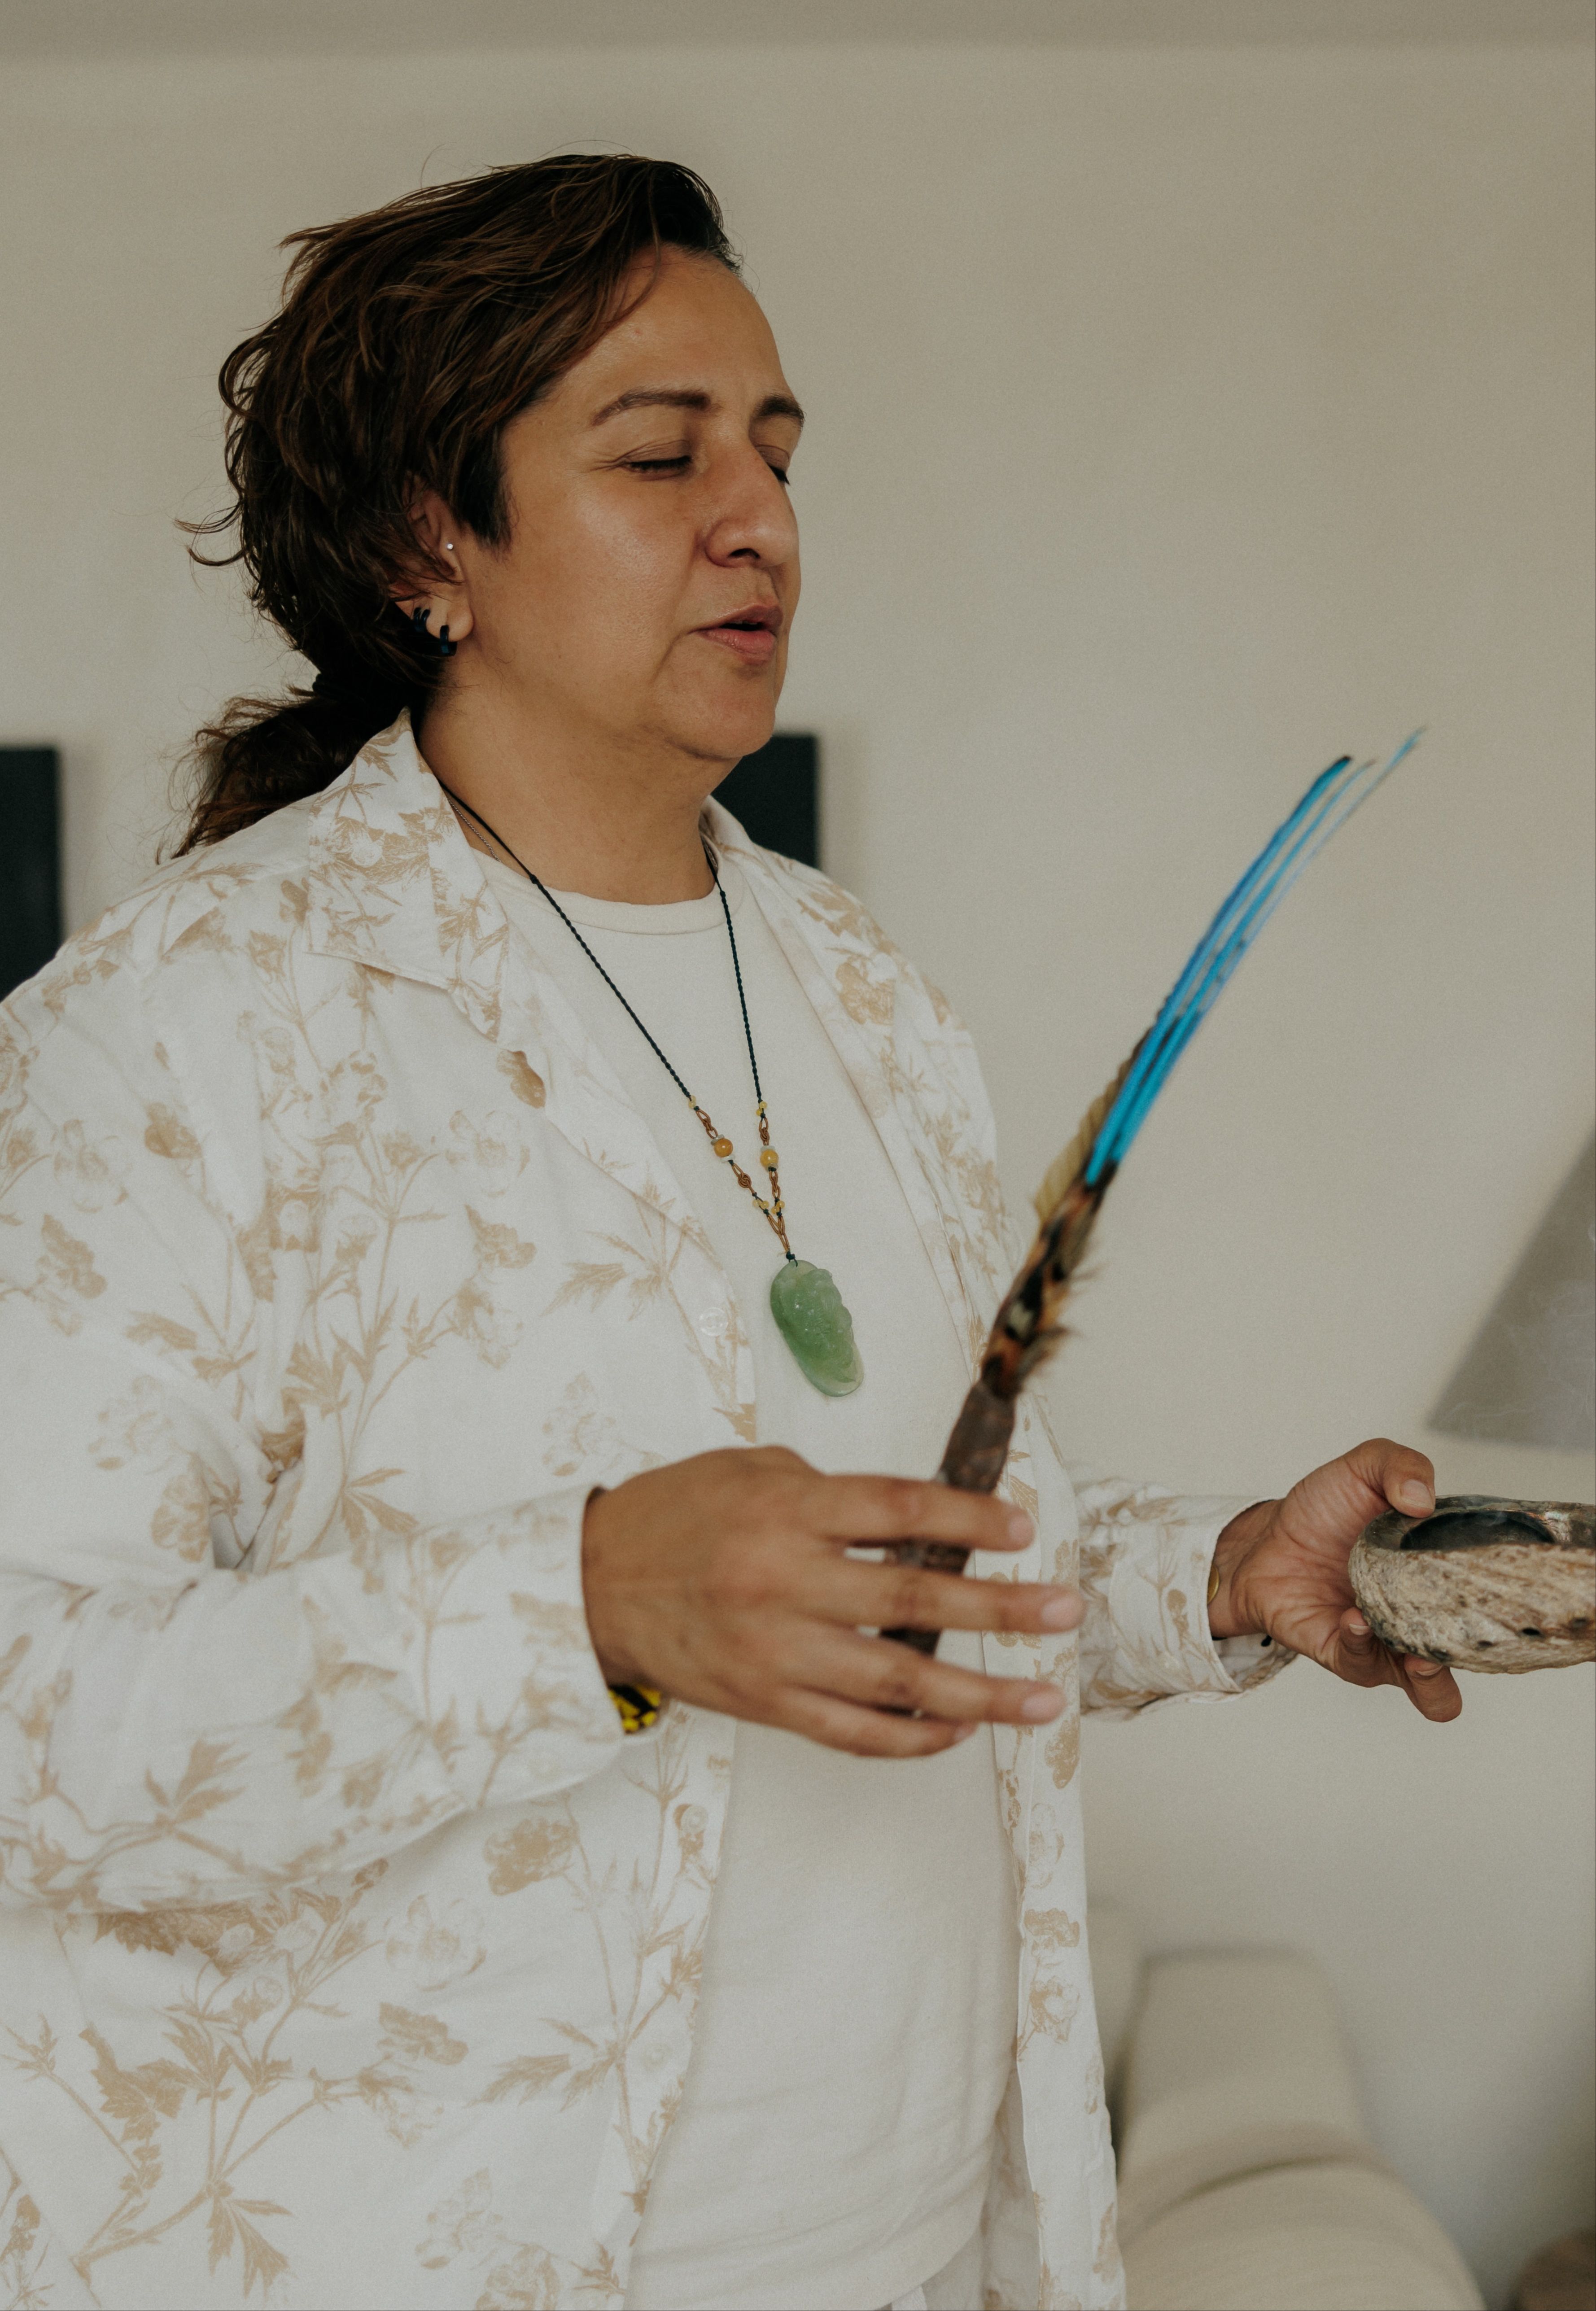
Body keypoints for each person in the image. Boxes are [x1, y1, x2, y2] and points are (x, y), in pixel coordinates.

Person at [0, 155, 1459, 2311]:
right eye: (657, 451)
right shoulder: (183, 1022)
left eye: (775, 448)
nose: (757, 516)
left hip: (916, 2253)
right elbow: (32, 1714)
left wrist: (1225, 1574)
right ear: (424, 543)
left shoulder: (861, 988)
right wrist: (587, 1600)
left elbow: (919, 1558)